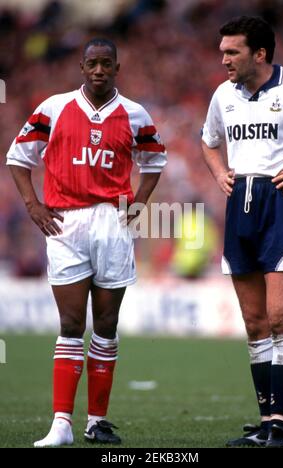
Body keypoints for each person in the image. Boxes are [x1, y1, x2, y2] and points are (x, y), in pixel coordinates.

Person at [6, 38, 167, 447]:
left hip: (113, 222)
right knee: (71, 323)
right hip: (66, 222)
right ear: (81, 67)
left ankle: (97, 421)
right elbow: (18, 159)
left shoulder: (135, 114)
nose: (99, 70)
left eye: (106, 64)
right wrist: (32, 205)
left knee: (107, 324)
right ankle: (62, 423)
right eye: (92, 63)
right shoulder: (53, 108)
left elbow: (154, 161)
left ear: (117, 68)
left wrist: (140, 205)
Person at [202, 16, 283, 448]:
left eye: (232, 52)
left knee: (282, 318)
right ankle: (265, 423)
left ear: (259, 53)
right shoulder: (224, 95)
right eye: (222, 51)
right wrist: (220, 171)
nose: (223, 59)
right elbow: (208, 140)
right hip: (240, 205)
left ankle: (281, 425)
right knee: (256, 323)